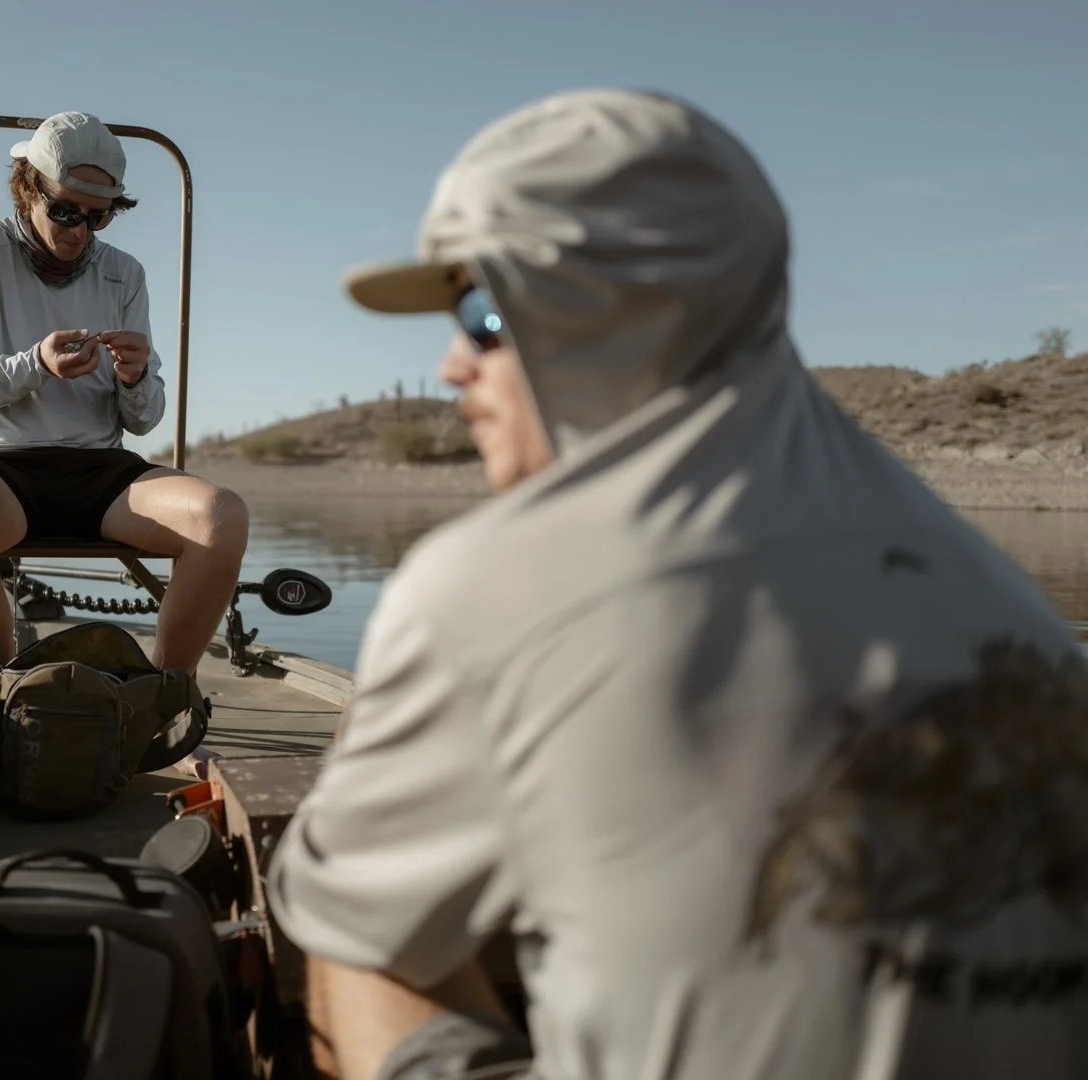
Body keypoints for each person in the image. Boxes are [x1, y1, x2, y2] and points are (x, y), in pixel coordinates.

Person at [266, 88, 1088, 1080]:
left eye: (482, 311)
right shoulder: (1005, 598)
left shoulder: (496, 583)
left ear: (601, 307)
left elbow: (349, 922)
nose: (451, 367)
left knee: (356, 928)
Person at [0, 111, 248, 679]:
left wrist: (135, 378)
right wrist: (36, 365)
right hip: (0, 468)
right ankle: (1, 704)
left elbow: (143, 422)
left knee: (222, 516)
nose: (79, 231)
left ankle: (163, 697)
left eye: (99, 218)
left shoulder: (126, 275)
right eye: (65, 210)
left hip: (103, 472)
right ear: (28, 188)